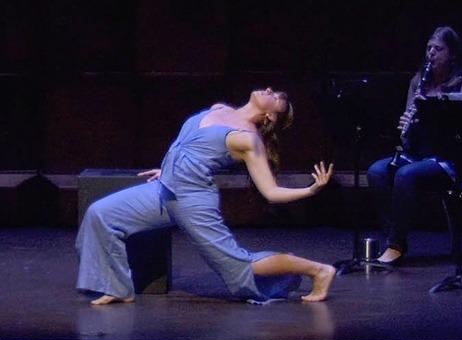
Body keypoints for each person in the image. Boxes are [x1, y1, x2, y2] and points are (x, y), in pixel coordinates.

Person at [76, 87, 336, 304]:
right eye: (271, 89)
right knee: (101, 214)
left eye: (275, 97)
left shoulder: (248, 139)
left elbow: (270, 192)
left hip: (193, 201)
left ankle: (318, 270)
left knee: (238, 267)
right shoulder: (218, 108)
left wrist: (310, 189)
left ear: (269, 115)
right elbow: (193, 147)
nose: (269, 90)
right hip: (165, 189)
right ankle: (117, 287)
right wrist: (169, 168)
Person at [366, 26, 462, 265]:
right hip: (419, 153)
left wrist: (434, 115)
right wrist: (410, 123)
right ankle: (392, 236)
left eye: (438, 49)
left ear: (452, 54)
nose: (431, 53)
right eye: (429, 48)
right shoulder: (418, 81)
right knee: (376, 171)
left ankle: (396, 245)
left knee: (406, 175)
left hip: (450, 159)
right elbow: (407, 138)